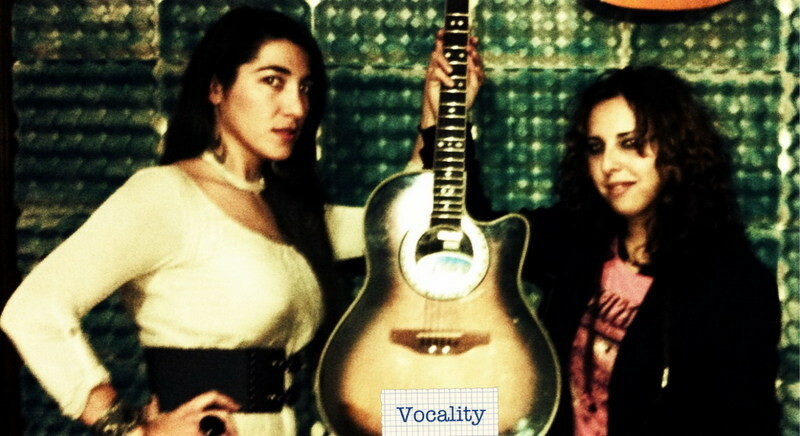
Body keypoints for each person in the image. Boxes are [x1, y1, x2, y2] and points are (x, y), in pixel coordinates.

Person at [1, 7, 362, 436]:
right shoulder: (166, 194)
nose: (296, 107)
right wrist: (129, 430)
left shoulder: (292, 213)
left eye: (305, 87)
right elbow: (32, 310)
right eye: (272, 81)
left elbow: (398, 223)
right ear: (216, 88)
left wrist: (431, 116)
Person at [412, 33, 782, 435]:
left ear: (677, 148)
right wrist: (444, 115)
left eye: (631, 144)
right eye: (595, 147)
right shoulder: (578, 239)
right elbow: (473, 231)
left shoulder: (734, 286)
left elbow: (746, 424)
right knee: (405, 418)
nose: (609, 164)